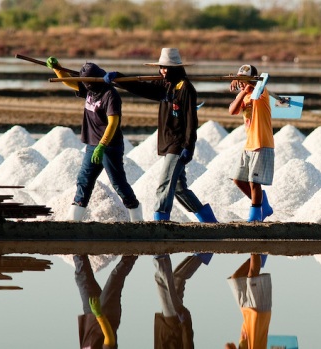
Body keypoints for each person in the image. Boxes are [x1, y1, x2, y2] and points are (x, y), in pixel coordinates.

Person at [103, 48, 216, 223]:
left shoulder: (185, 88)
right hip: (168, 141)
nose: (163, 71)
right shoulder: (164, 86)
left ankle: (160, 220)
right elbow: (141, 88)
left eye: (166, 68)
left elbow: (191, 120)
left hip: (179, 144)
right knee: (179, 188)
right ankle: (209, 220)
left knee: (164, 183)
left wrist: (188, 146)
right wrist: (120, 78)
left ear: (176, 69)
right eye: (161, 67)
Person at [45, 57, 142, 222]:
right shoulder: (89, 88)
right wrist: (57, 68)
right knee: (84, 179)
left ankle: (136, 215)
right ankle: (74, 218)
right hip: (92, 144)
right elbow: (69, 81)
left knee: (118, 183)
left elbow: (113, 123)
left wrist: (102, 145)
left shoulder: (110, 95)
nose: (85, 86)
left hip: (109, 146)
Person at [228, 64, 275, 222]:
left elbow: (259, 87)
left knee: (254, 182)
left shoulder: (261, 93)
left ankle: (255, 218)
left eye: (244, 79)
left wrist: (250, 85)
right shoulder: (245, 95)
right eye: (239, 79)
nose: (241, 82)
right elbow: (232, 110)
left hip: (261, 142)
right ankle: (264, 205)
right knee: (238, 179)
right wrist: (242, 91)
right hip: (249, 144)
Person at [73, 254, 138, 349]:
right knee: (115, 278)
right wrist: (99, 314)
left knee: (82, 279)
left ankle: (78, 250)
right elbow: (110, 339)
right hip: (107, 315)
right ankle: (132, 252)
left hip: (90, 315)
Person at [153, 253, 211, 348]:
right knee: (162, 282)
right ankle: (161, 257)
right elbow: (188, 345)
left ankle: (202, 255)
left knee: (177, 280)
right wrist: (185, 323)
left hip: (168, 327)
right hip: (174, 325)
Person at [224, 254, 271, 349]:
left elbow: (229, 345)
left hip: (246, 311)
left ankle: (261, 255)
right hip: (258, 314)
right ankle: (255, 246)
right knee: (252, 275)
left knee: (236, 278)